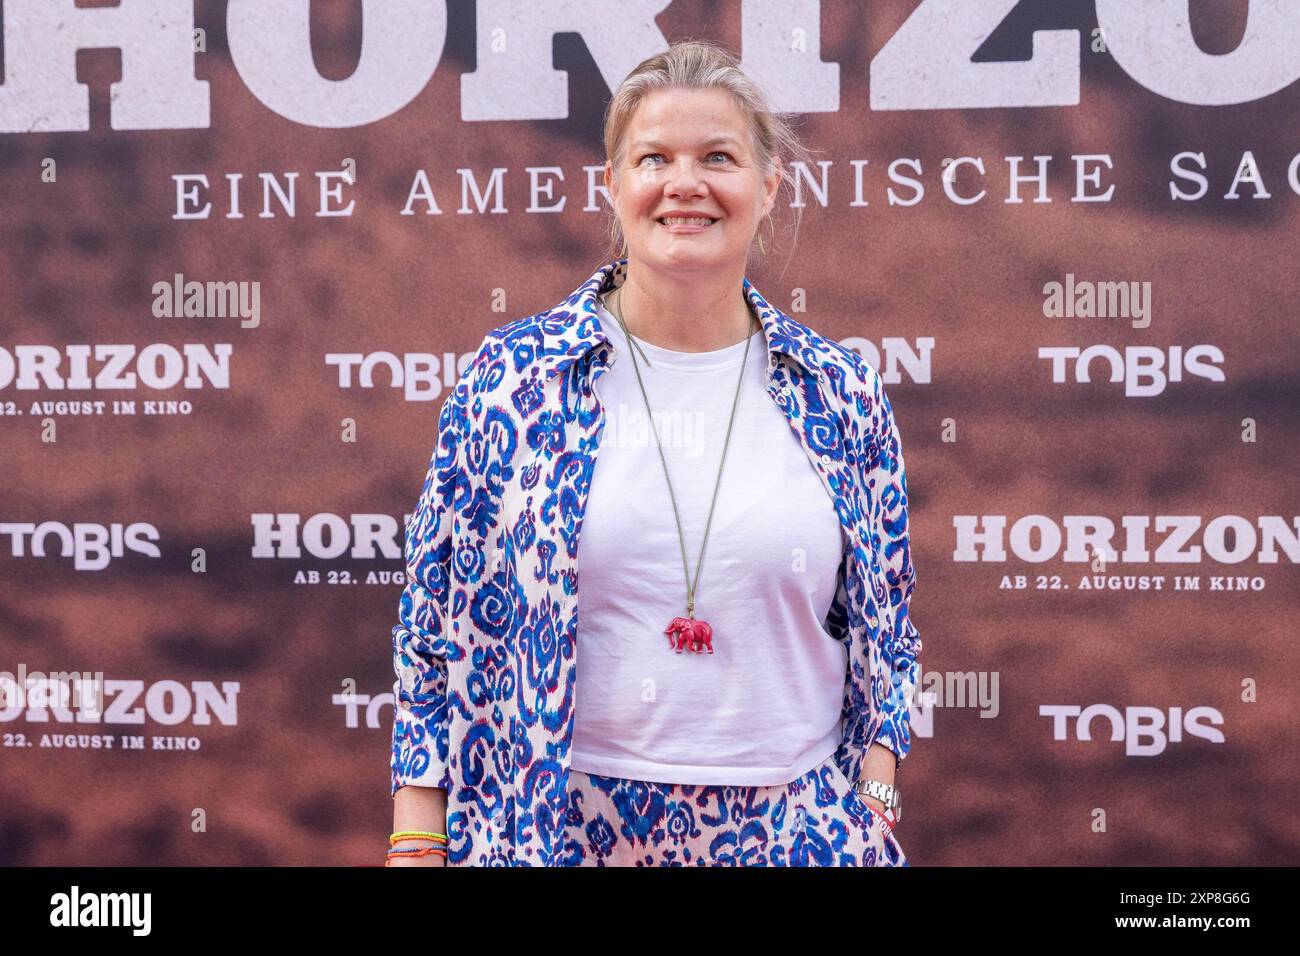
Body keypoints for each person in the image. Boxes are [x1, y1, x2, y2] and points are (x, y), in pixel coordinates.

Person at [388, 39, 921, 867]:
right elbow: (435, 619)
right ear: (613, 184)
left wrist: (875, 795)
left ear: (769, 185)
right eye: (654, 158)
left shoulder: (839, 389)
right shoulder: (514, 379)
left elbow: (887, 621)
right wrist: (417, 835)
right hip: (553, 834)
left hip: (797, 836)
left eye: (719, 157)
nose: (686, 183)